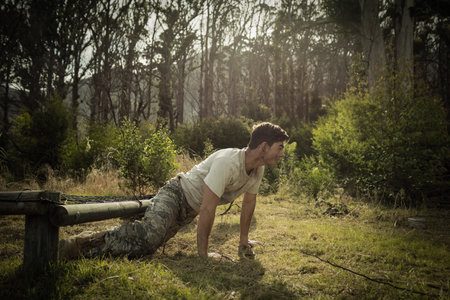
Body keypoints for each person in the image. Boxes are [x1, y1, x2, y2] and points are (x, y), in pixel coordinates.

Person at [59, 122, 289, 260]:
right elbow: (209, 207)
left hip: (188, 211)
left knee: (146, 247)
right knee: (150, 236)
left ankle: (85, 253)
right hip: (176, 193)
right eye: (279, 148)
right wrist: (203, 255)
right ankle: (75, 245)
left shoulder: (257, 170)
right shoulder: (227, 162)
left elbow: (249, 203)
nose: (281, 154)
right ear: (263, 146)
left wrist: (244, 239)